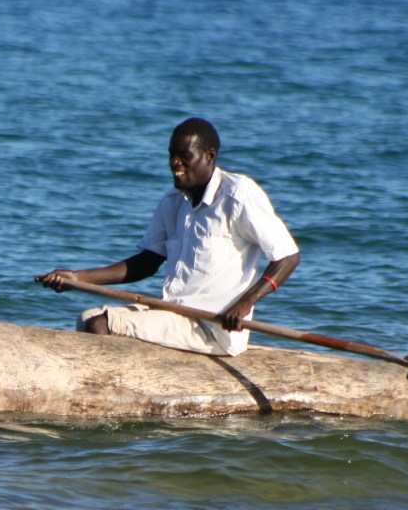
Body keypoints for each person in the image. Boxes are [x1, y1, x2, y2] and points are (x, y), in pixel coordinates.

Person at [36, 118, 300, 356]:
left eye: (185, 156)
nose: (175, 163)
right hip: (175, 314)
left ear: (209, 157)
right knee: (87, 317)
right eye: (172, 155)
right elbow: (146, 263)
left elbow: (288, 257)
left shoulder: (238, 196)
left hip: (214, 327)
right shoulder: (173, 202)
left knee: (101, 324)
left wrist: (243, 304)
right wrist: (77, 278)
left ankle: (109, 387)